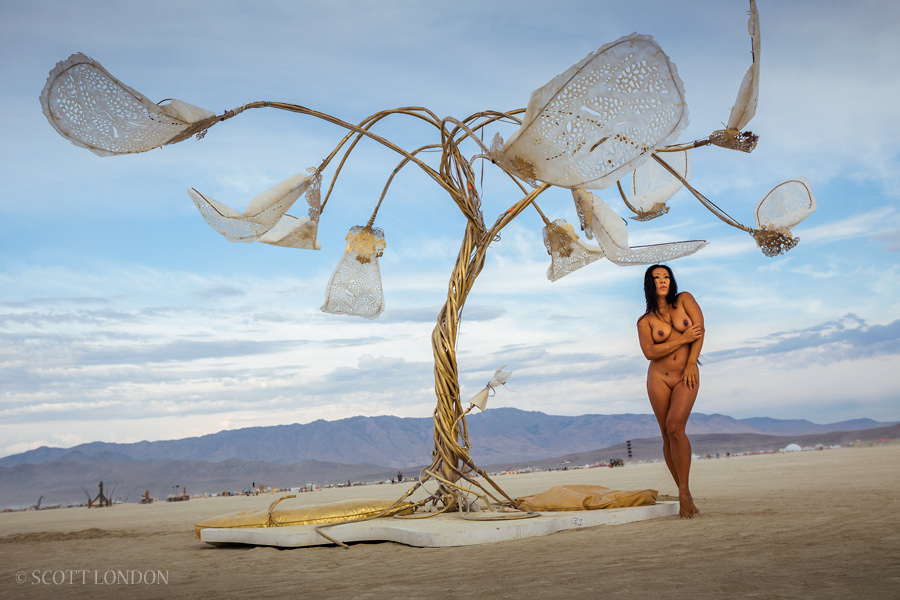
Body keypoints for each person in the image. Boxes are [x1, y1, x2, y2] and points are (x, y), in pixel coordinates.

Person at [636, 264, 704, 518]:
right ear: (649, 284)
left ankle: (684, 493)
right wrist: (682, 339)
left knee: (676, 426)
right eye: (656, 278)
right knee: (666, 433)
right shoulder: (645, 321)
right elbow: (650, 353)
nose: (662, 281)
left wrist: (691, 363)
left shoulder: (685, 300)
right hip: (658, 379)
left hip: (686, 373)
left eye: (666, 276)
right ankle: (684, 492)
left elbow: (699, 331)